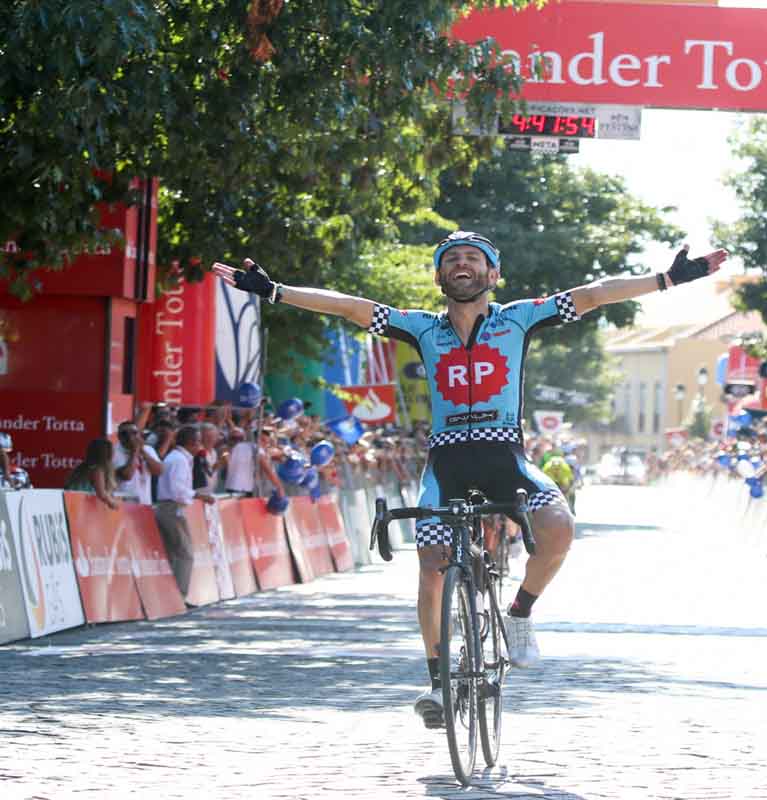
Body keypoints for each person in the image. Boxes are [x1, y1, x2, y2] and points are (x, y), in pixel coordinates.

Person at [214, 230, 726, 728]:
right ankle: (437, 682)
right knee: (431, 566)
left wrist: (665, 280)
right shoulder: (420, 328)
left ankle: (520, 611)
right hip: (447, 464)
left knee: (559, 527)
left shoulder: (519, 319)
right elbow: (351, 307)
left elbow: (592, 296)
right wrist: (275, 292)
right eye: (451, 258)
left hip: (506, 458)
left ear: (493, 273)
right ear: (439, 277)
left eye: (473, 257)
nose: (462, 264)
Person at [155, 425, 217, 599]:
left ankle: (172, 596)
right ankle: (179, 596)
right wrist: (200, 496)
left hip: (170, 507)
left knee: (174, 553)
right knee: (185, 554)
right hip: (172, 508)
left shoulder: (178, 458)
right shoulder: (179, 460)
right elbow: (177, 490)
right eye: (199, 442)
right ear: (193, 442)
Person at [113, 421, 164, 504]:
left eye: (134, 433)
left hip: (144, 502)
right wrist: (135, 450)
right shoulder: (113, 452)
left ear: (139, 434)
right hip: (124, 503)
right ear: (119, 436)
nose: (130, 436)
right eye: (124, 433)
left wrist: (143, 451)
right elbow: (127, 475)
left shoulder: (148, 449)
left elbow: (159, 471)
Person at [64, 438, 120, 510]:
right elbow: (101, 493)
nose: (114, 454)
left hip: (72, 503)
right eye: (112, 451)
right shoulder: (97, 469)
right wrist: (113, 503)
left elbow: (107, 490)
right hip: (76, 504)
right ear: (107, 453)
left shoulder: (85, 467)